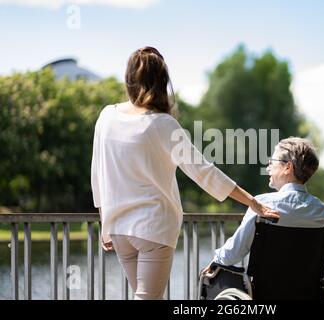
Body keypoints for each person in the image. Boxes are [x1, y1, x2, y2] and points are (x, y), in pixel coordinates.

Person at [90, 46, 279, 300]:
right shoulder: (163, 124)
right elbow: (204, 172)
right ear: (162, 83)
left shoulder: (106, 116)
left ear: (129, 80)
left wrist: (106, 221)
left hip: (119, 229)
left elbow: (98, 173)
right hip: (153, 228)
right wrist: (253, 202)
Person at [210, 137, 324, 273]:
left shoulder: (261, 206)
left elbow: (231, 256)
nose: (268, 167)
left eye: (272, 162)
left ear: (288, 167)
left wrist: (216, 259)